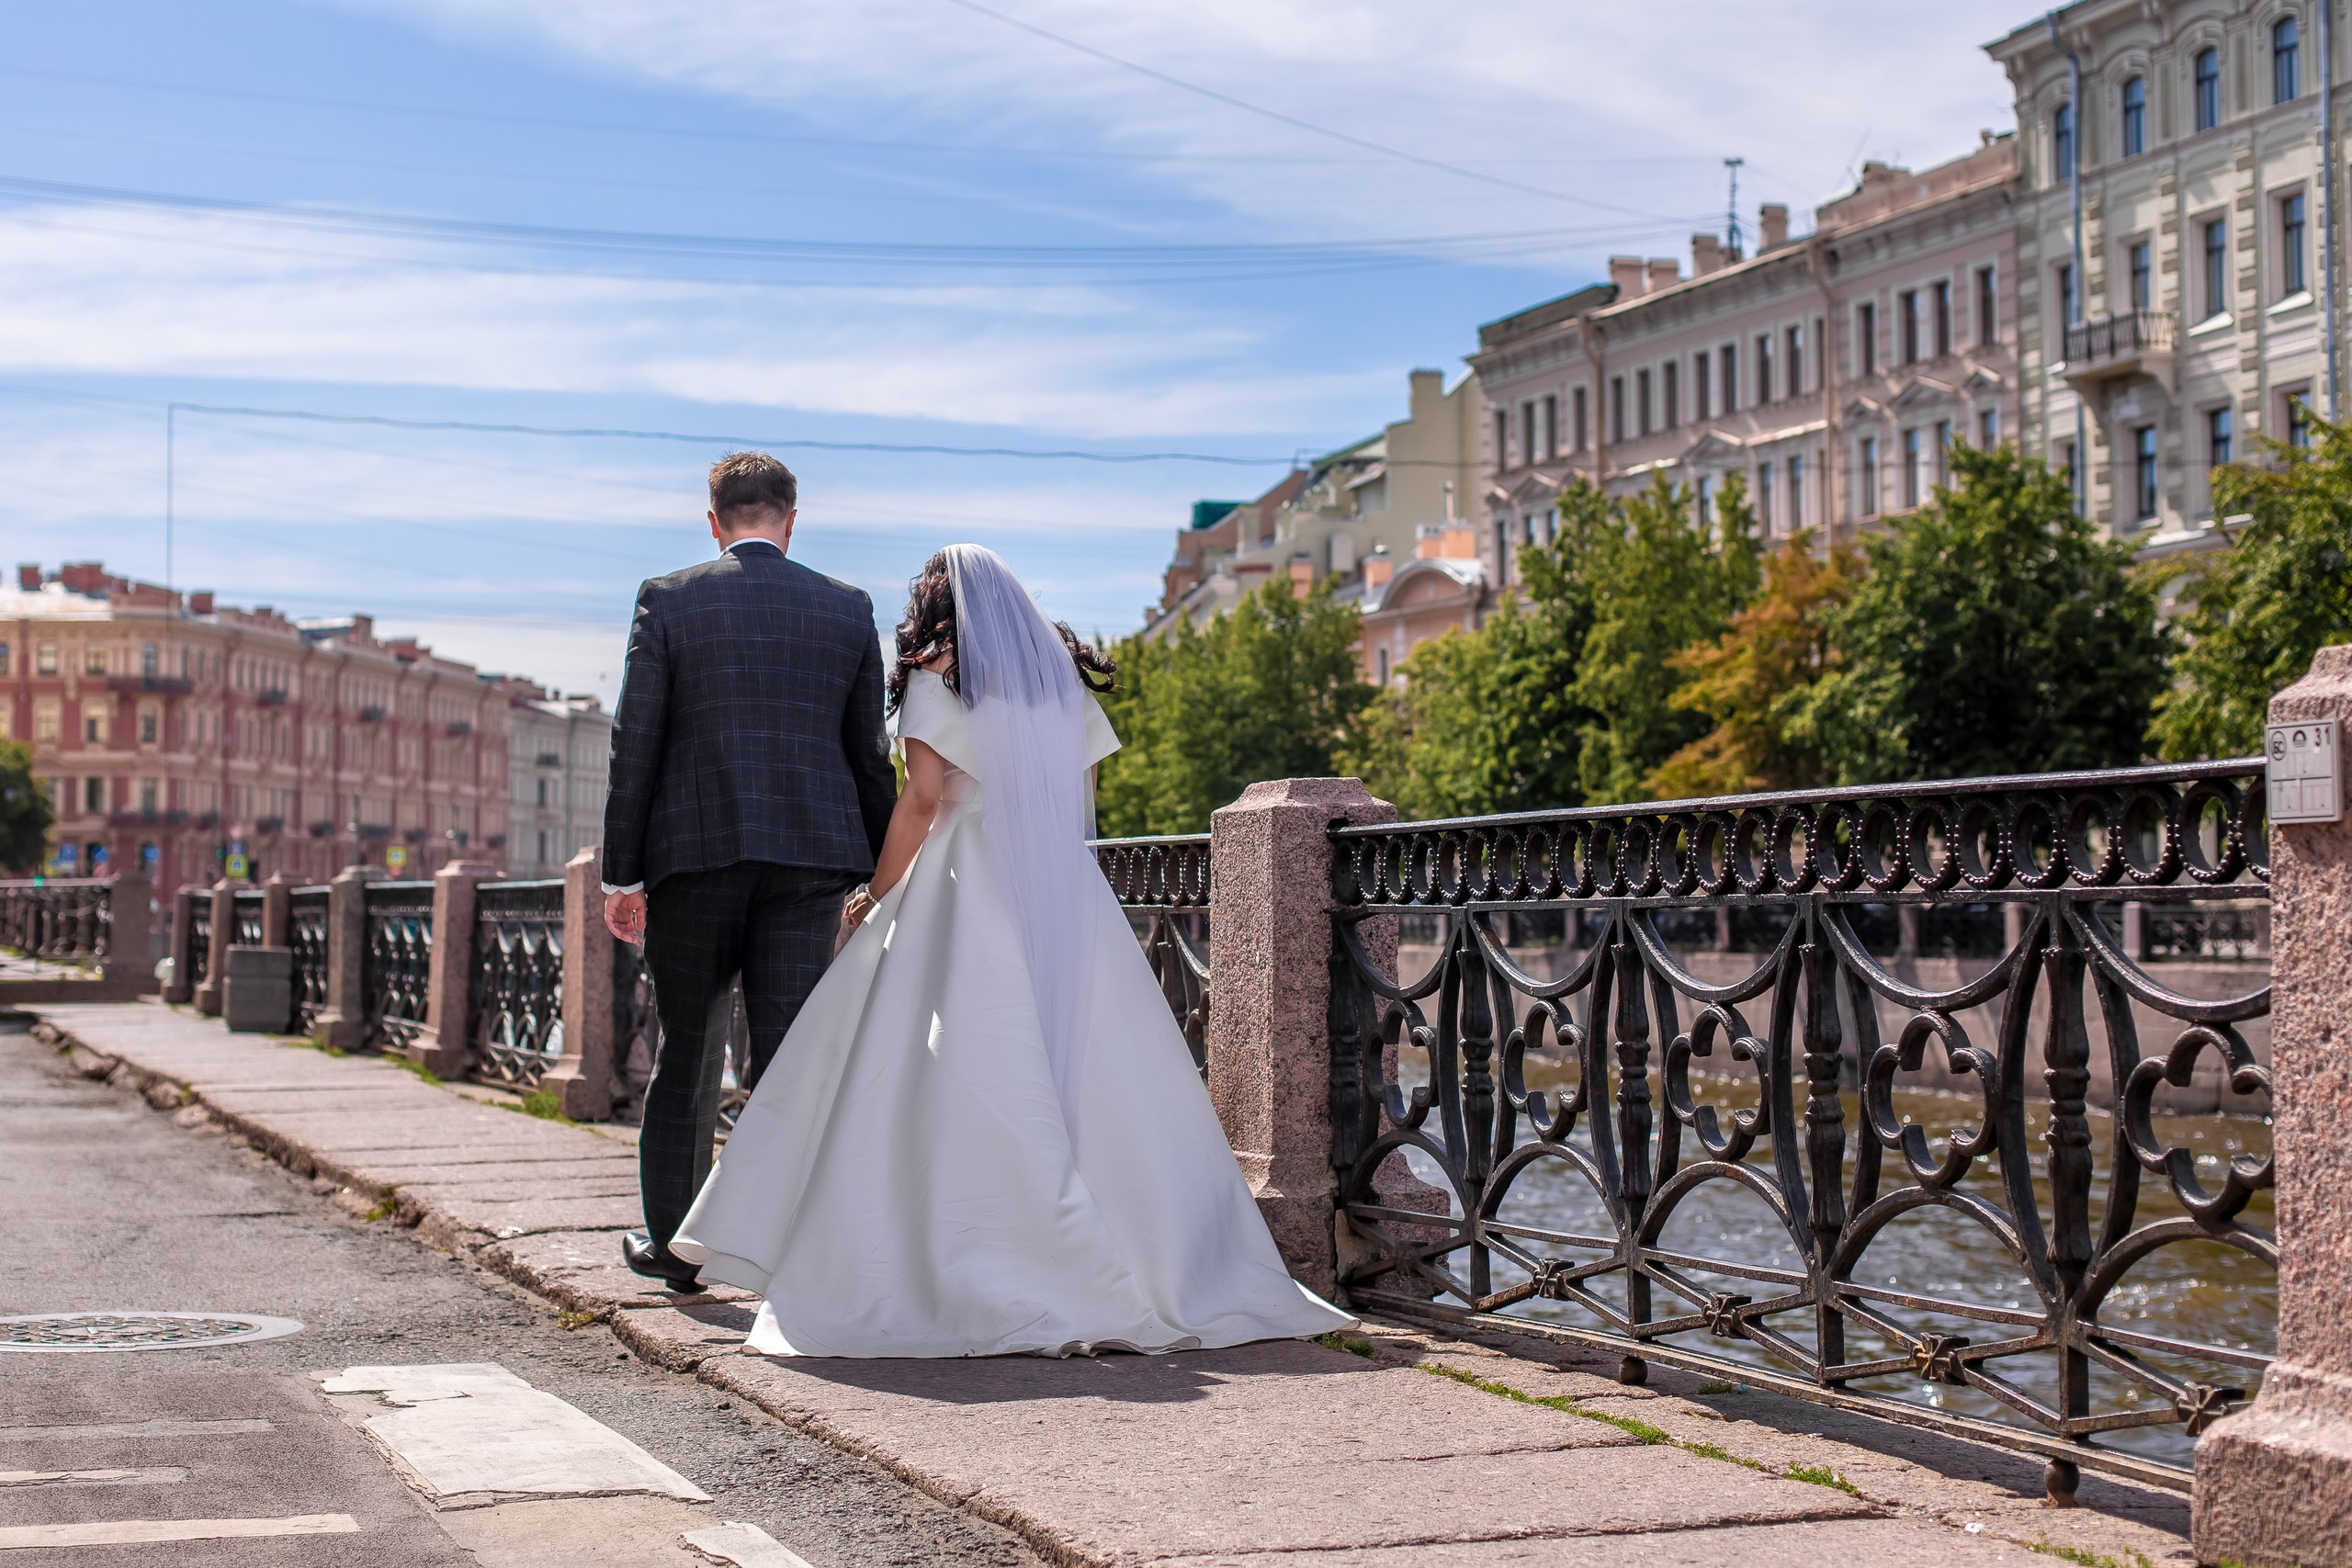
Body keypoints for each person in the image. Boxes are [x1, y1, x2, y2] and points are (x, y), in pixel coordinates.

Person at [669, 545, 1351, 1356]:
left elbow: (922, 801)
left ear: (933, 606)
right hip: (1060, 884)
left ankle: (952, 1253)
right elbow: (1082, 796)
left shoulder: (934, 676)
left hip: (963, 877)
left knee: (940, 1060)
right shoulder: (1058, 680)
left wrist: (876, 894)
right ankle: (1156, 1258)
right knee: (1101, 1064)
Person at [601, 452, 897, 1293]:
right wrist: (888, 868)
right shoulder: (846, 607)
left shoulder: (669, 598)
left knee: (689, 1051)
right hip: (811, 860)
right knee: (791, 1056)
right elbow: (868, 755)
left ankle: (675, 1244)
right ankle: (788, 1247)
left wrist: (622, 876)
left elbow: (635, 741)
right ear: (791, 520)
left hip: (694, 857)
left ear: (714, 521)